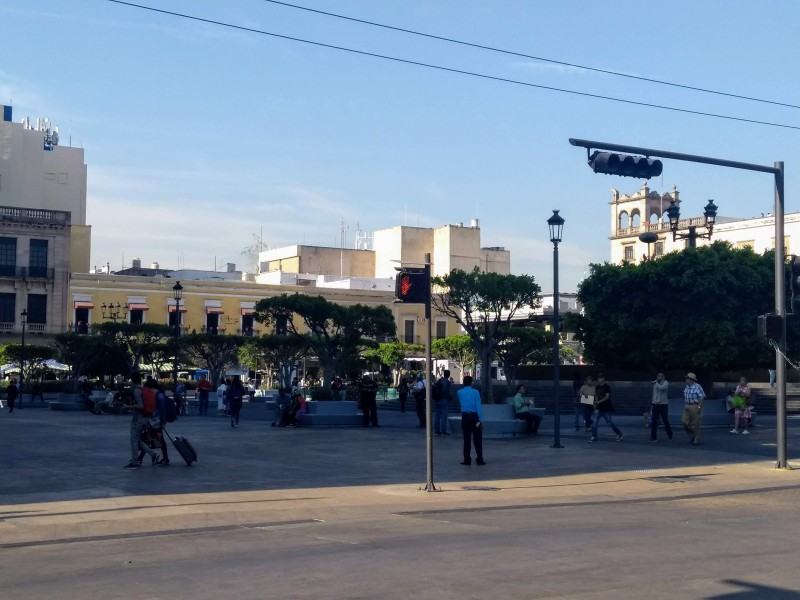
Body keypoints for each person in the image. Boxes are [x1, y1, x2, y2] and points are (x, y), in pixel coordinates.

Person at [122, 372, 160, 469]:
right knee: (137, 439)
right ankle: (153, 455)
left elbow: (140, 405)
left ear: (133, 380)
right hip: (146, 418)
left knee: (134, 440)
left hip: (139, 419)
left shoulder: (136, 391)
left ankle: (135, 461)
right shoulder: (144, 390)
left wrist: (128, 406)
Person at [136, 379, 170, 466]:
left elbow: (162, 411)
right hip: (153, 421)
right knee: (153, 439)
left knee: (149, 439)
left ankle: (140, 459)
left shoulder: (159, 396)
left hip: (156, 421)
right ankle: (165, 458)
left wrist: (163, 422)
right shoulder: (156, 394)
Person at [457, 376, 485, 465]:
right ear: (471, 383)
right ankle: (479, 458)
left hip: (465, 417)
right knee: (477, 438)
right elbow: (478, 406)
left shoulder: (459, 392)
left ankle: (467, 459)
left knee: (466, 439)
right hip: (475, 417)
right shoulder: (475, 392)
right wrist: (481, 419)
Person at [589, 374, 623, 442]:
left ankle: (619, 433)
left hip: (606, 408)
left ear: (603, 379)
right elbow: (595, 395)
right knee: (594, 423)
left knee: (609, 423)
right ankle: (594, 436)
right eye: (598, 378)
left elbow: (607, 397)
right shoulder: (597, 387)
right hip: (598, 408)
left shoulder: (607, 387)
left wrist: (599, 401)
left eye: (600, 378)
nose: (599, 379)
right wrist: (595, 402)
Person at [681, 372, 705, 445]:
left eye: (687, 378)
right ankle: (692, 434)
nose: (686, 379)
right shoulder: (687, 386)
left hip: (695, 405)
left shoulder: (697, 387)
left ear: (691, 380)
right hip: (687, 405)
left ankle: (696, 438)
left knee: (696, 423)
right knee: (684, 422)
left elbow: (701, 397)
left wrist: (699, 407)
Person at [650, 372, 673, 442]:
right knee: (654, 421)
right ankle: (653, 437)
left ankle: (670, 433)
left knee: (665, 420)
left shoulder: (666, 383)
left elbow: (661, 388)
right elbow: (654, 394)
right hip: (655, 404)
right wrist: (653, 402)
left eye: (661, 376)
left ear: (663, 377)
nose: (659, 377)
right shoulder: (655, 383)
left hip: (663, 405)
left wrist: (655, 383)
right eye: (658, 376)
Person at [433, 370, 452, 436]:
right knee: (444, 415)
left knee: (437, 415)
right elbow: (448, 392)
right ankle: (443, 431)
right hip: (444, 399)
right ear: (449, 375)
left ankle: (436, 431)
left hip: (437, 399)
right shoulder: (448, 383)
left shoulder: (439, 381)